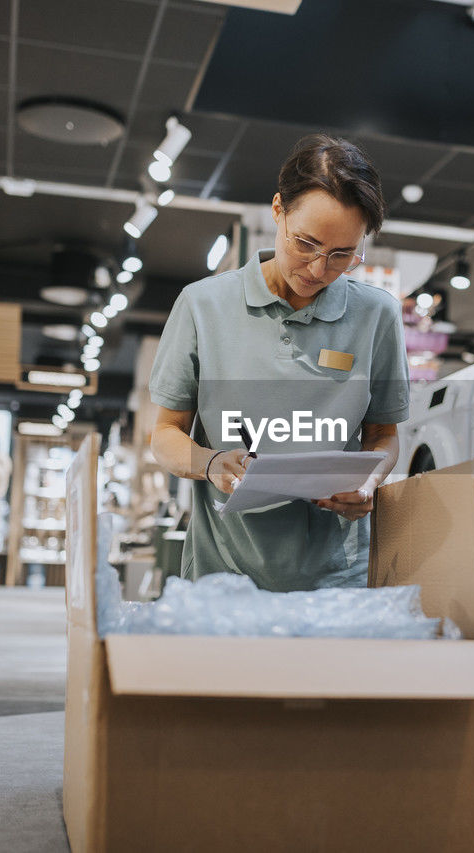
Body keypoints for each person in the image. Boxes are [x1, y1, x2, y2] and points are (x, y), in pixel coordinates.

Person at [148, 134, 410, 592]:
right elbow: (165, 434)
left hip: (336, 578)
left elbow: (383, 436)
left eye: (341, 255)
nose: (316, 269)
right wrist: (212, 463)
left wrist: (368, 480)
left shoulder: (377, 316)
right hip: (222, 573)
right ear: (277, 210)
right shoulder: (202, 306)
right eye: (305, 243)